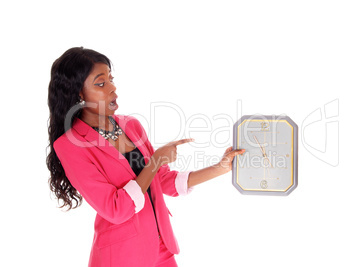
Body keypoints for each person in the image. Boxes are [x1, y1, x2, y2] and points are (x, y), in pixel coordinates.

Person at [46, 47, 245, 267]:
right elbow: (116, 209)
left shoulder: (131, 125)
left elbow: (162, 182)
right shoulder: (70, 145)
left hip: (162, 248)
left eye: (111, 79)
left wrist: (221, 167)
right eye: (101, 83)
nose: (113, 88)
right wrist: (155, 161)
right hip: (123, 257)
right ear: (78, 94)